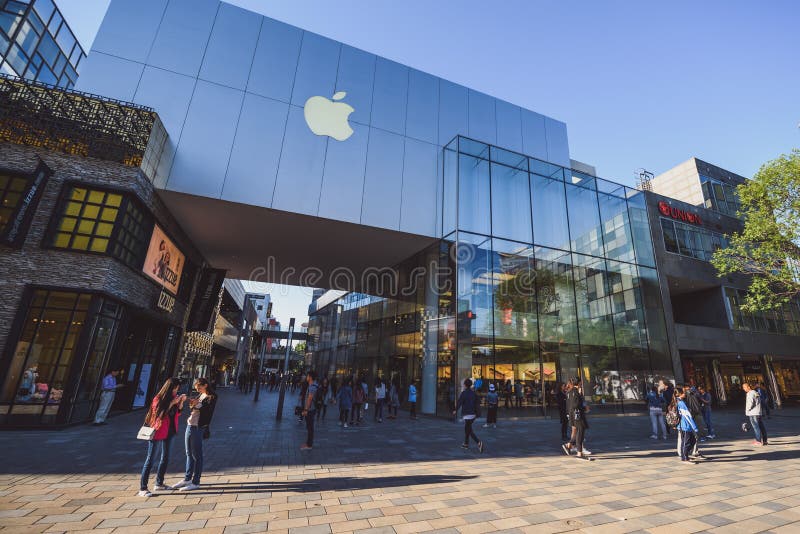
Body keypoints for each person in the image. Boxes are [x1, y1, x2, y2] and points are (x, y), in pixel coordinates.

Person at [139, 378, 185, 497]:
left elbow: (177, 414)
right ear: (170, 387)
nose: (176, 390)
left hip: (171, 430)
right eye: (175, 388)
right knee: (151, 459)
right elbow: (159, 414)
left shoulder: (174, 397)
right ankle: (143, 488)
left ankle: (159, 483)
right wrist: (172, 403)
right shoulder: (158, 399)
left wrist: (180, 403)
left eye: (177, 388)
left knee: (165, 458)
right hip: (158, 431)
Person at [171, 378, 216, 491]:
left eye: (199, 387)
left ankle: (196, 482)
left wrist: (198, 404)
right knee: (188, 453)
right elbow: (193, 408)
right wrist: (192, 403)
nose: (198, 390)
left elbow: (208, 410)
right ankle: (187, 478)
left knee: (197, 455)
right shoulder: (199, 395)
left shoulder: (212, 396)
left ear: (205, 385)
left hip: (198, 427)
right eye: (197, 388)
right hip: (190, 425)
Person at [562, 378, 590, 459]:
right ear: (578, 384)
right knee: (580, 432)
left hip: (572, 415)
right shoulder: (576, 392)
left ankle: (569, 445)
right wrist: (585, 409)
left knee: (578, 431)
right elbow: (576, 405)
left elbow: (568, 406)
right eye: (580, 383)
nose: (581, 385)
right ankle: (579, 453)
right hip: (577, 415)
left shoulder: (569, 392)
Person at [453, 378, 483, 452]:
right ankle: (466, 444)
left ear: (465, 385)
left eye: (464, 384)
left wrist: (455, 410)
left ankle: (478, 442)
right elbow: (478, 401)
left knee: (469, 430)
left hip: (467, 414)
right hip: (473, 414)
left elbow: (459, 402)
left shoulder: (464, 393)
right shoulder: (473, 393)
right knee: (467, 429)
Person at [675, 387, 698, 463]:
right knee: (687, 441)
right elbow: (687, 416)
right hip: (685, 425)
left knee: (691, 440)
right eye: (684, 392)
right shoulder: (681, 403)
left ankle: (685, 455)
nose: (685, 394)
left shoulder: (679, 401)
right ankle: (684, 457)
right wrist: (694, 427)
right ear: (681, 394)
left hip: (683, 425)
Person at [743, 381, 768, 446]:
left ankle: (758, 441)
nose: (744, 389)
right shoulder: (756, 392)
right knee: (761, 427)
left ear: (748, 387)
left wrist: (747, 410)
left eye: (744, 387)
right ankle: (765, 441)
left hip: (753, 413)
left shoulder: (750, 393)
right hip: (758, 412)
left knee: (756, 427)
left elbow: (750, 403)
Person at [300, 371, 319, 450]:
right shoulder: (313, 385)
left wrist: (306, 409)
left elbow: (310, 398)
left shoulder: (312, 386)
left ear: (310, 377)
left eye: (307, 376)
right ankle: (308, 443)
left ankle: (309, 445)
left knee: (310, 427)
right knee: (309, 427)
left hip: (310, 410)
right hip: (312, 409)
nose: (306, 377)